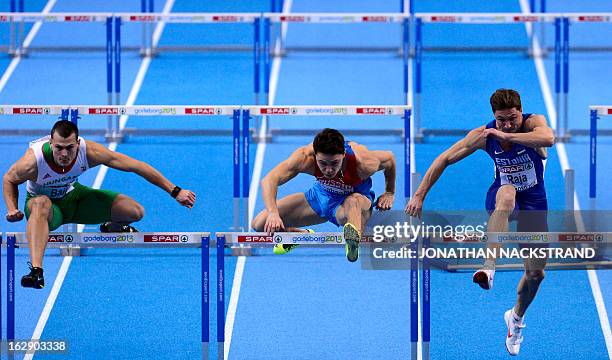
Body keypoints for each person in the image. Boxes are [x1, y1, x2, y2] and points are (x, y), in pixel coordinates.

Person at [405, 89, 554, 355]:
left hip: (535, 200)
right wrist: (419, 194)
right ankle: (488, 268)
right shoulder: (484, 136)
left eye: (512, 118)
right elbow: (444, 158)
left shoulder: (533, 122)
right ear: (493, 116)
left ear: (521, 111)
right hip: (501, 195)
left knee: (535, 274)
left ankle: (516, 319)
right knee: (507, 194)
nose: (507, 124)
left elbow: (549, 138)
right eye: (501, 120)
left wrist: (508, 135)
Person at [3, 120, 196, 289]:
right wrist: (12, 208)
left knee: (135, 211)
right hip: (46, 211)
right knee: (41, 203)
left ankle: (112, 227)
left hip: (74, 198)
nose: (64, 153)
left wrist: (175, 191)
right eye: (59, 147)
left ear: (77, 144)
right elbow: (9, 179)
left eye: (69, 147)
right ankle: (37, 271)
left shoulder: (89, 152)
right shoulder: (34, 160)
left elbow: (136, 166)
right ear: (51, 143)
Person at [251, 128, 396, 262]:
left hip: (352, 204)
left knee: (353, 202)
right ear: (315, 155)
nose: (328, 170)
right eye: (322, 163)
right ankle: (299, 235)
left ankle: (353, 238)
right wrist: (273, 213)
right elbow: (269, 180)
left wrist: (390, 192)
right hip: (320, 196)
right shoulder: (304, 157)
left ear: (344, 154)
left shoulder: (363, 162)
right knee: (260, 224)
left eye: (334, 163)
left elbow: (389, 159)